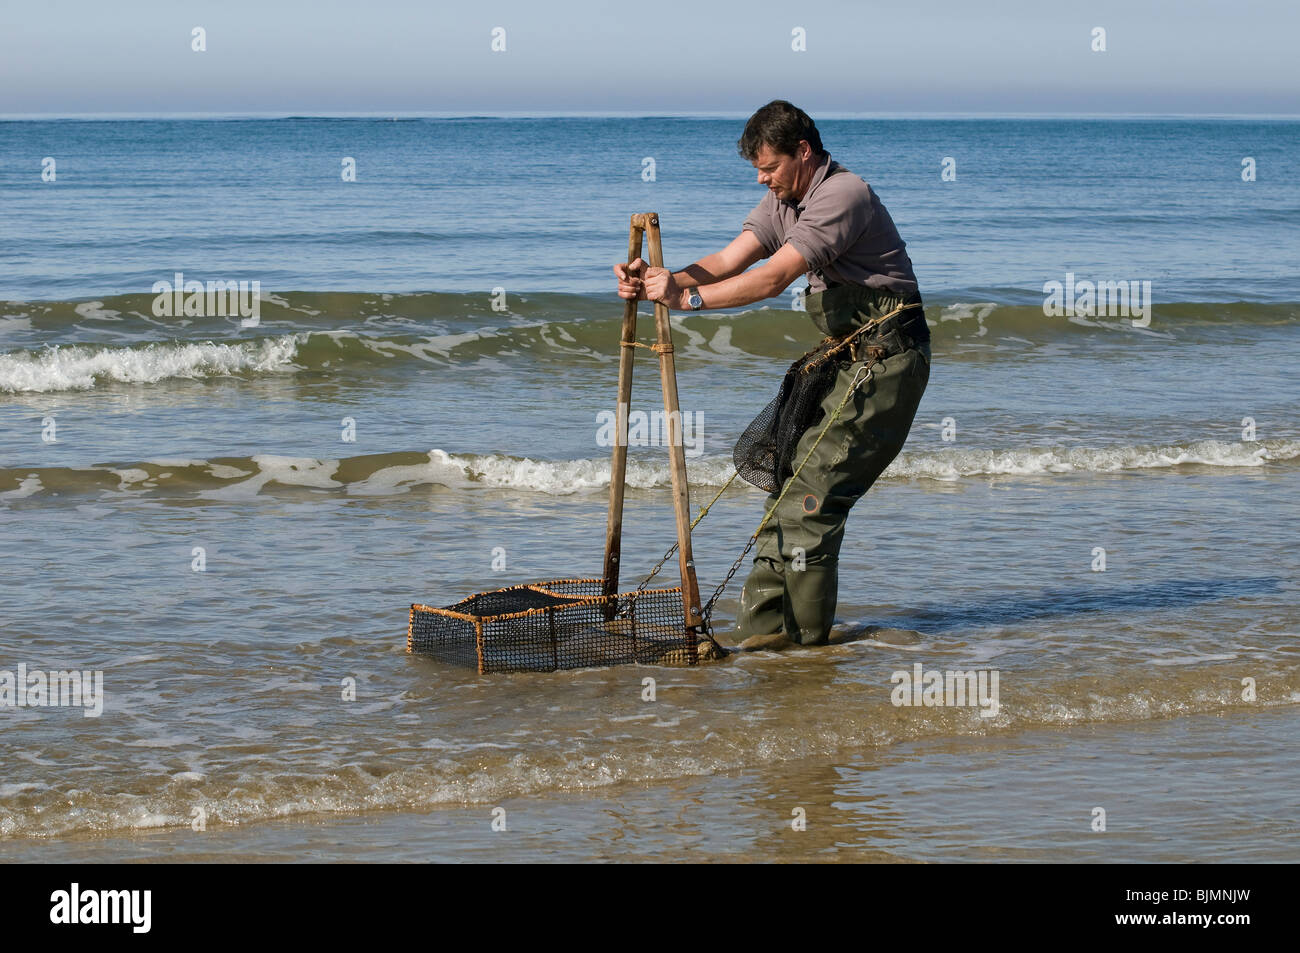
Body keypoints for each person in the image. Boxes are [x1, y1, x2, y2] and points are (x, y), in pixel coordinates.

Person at [614, 99, 930, 651]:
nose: (763, 180)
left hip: (889, 360)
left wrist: (684, 299)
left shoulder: (841, 194)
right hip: (847, 355)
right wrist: (655, 281)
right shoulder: (783, 198)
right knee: (784, 490)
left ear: (803, 153)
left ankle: (810, 652)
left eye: (770, 168)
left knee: (812, 502)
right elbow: (730, 260)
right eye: (757, 171)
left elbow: (771, 280)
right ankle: (762, 645)